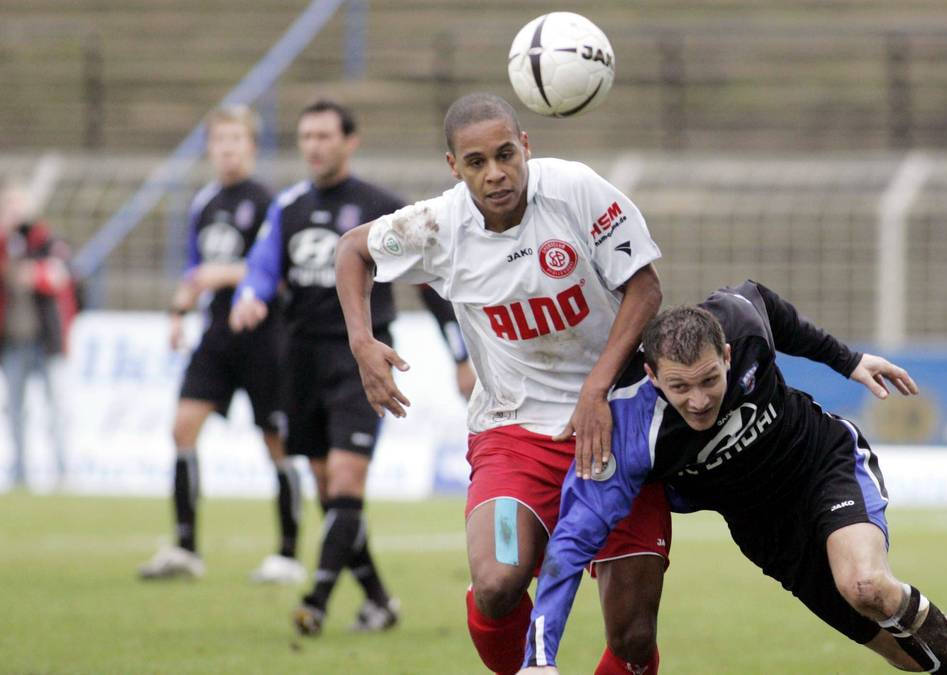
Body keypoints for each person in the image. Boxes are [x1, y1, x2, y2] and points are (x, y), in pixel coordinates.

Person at [518, 281, 947, 675]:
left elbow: (769, 304)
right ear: (652, 376)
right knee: (907, 658)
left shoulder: (740, 321)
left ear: (728, 356)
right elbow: (570, 545)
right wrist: (540, 656)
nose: (698, 400)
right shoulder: (631, 436)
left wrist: (847, 361)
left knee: (866, 586)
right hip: (766, 532)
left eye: (710, 380)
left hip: (822, 467)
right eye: (679, 387)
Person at [335, 92, 670, 674]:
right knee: (496, 582)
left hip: (618, 428)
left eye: (505, 155)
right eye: (476, 162)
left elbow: (645, 288)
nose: (495, 174)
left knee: (633, 637)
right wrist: (362, 341)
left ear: (526, 149)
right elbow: (352, 250)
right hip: (515, 436)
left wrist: (596, 389)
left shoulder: (577, 191)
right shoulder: (440, 226)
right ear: (453, 167)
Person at [230, 99, 460, 635]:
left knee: (347, 481)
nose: (314, 146)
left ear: (349, 141)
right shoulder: (286, 207)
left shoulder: (381, 208)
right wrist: (249, 295)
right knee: (329, 491)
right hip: (300, 359)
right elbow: (262, 267)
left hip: (361, 358)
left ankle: (316, 600)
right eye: (306, 136)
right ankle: (379, 602)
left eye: (324, 136)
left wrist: (459, 353)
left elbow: (429, 282)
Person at [136, 105, 303, 583]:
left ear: (251, 146)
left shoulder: (270, 203)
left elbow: (281, 275)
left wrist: (226, 274)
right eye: (220, 140)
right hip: (215, 335)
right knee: (182, 428)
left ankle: (288, 555)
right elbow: (194, 270)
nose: (227, 148)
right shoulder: (204, 202)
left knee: (276, 441)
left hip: (263, 336)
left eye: (236, 140)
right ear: (210, 147)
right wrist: (177, 312)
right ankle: (186, 548)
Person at [0, 182, 76, 490]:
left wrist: (32, 274)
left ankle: (62, 473)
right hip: (12, 342)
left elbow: (59, 276)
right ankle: (20, 474)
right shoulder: (5, 244)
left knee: (55, 408)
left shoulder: (47, 240)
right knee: (15, 410)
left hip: (47, 342)